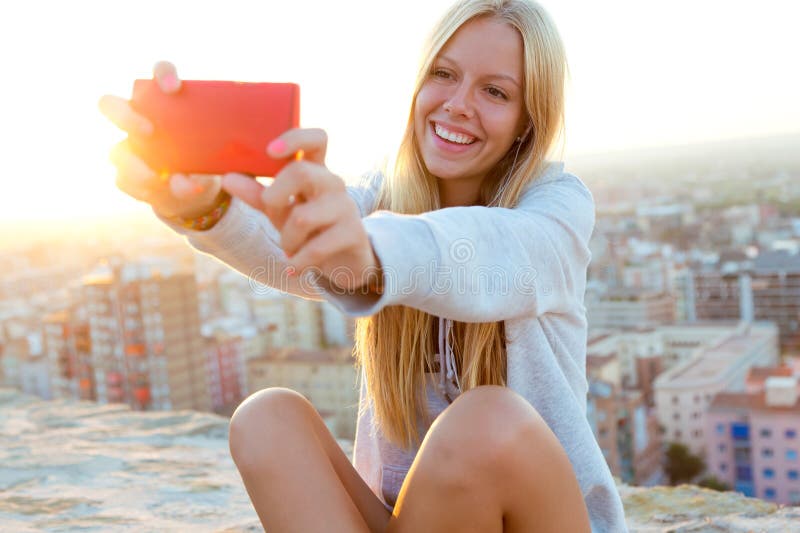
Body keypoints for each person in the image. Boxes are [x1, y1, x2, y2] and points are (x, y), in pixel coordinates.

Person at [100, 0, 628, 531]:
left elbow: (489, 251)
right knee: (266, 418)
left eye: (495, 91)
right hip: (406, 518)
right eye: (443, 75)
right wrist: (200, 201)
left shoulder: (557, 206)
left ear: (526, 119)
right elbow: (285, 252)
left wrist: (366, 254)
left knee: (485, 420)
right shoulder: (383, 194)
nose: (457, 104)